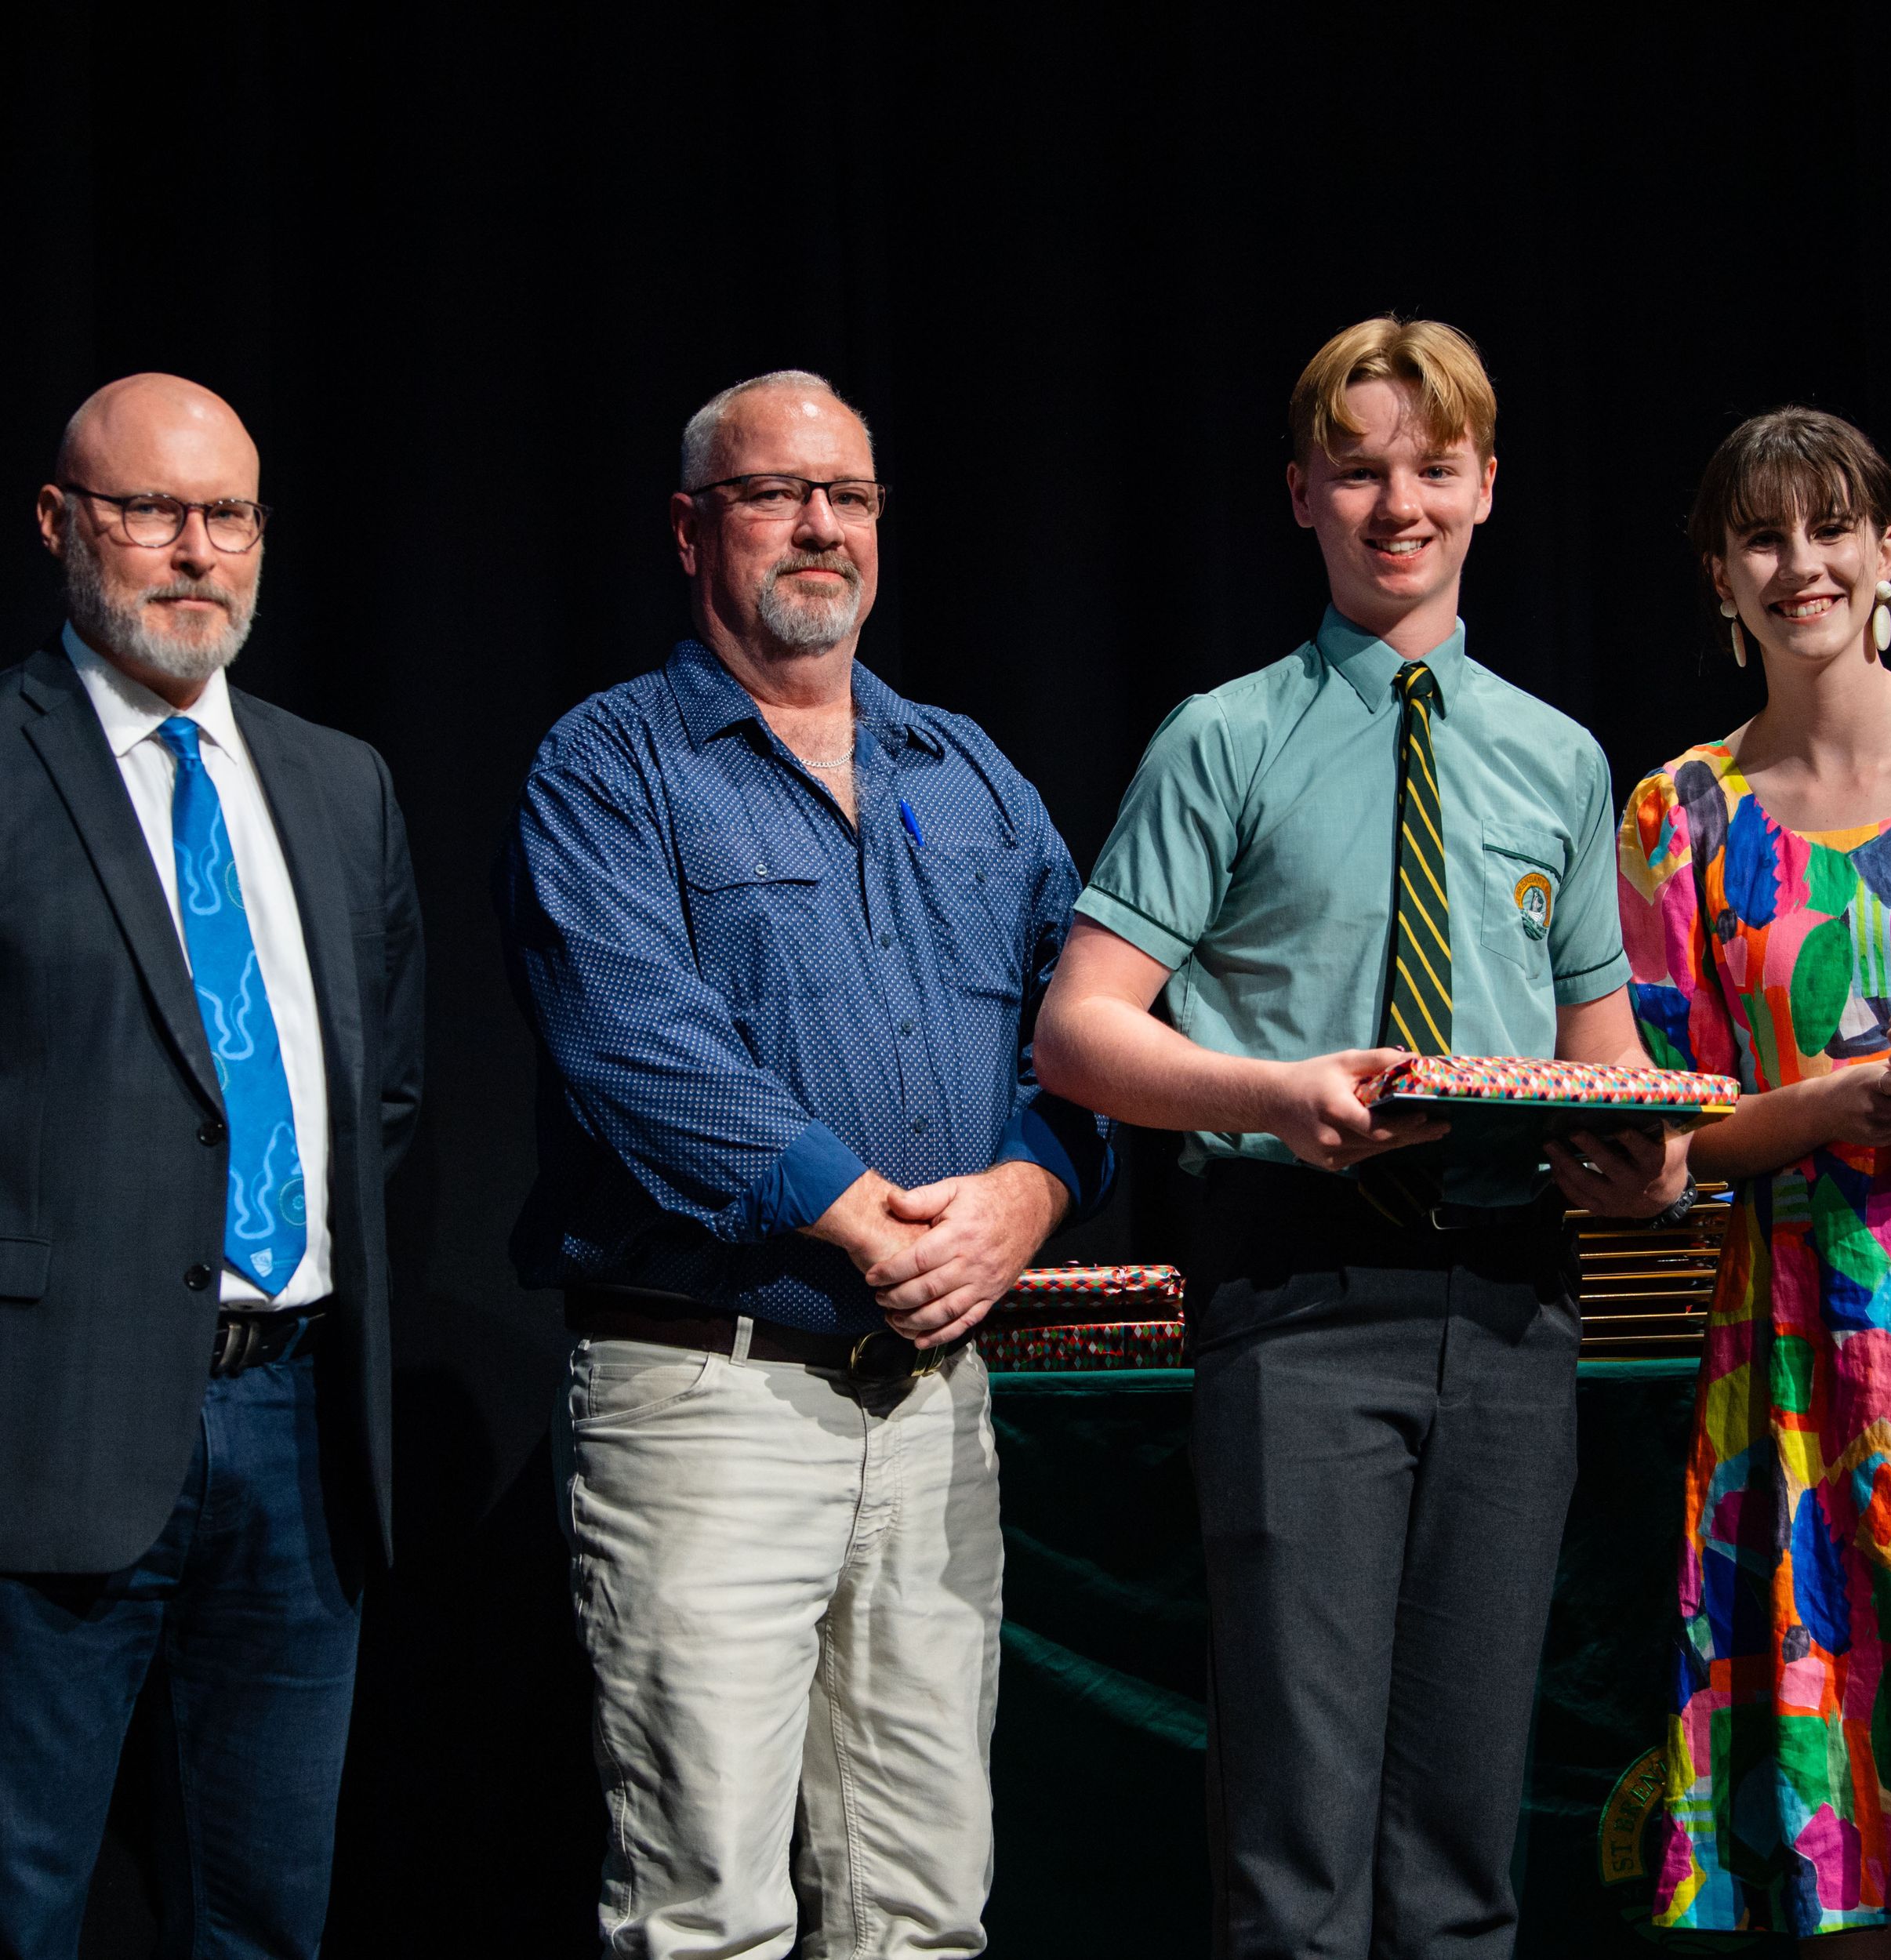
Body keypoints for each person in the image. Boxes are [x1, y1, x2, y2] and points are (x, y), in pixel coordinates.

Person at [1033, 315, 1692, 1958]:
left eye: (1431, 469)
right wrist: (1274, 1092)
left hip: (1515, 1300)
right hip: (1299, 1295)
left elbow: (1598, 1050)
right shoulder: (1227, 735)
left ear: (1486, 488)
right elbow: (1081, 1028)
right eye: (1357, 471)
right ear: (1299, 496)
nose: (1397, 503)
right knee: (1300, 1833)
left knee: (1466, 1831)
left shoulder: (1554, 756)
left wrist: (1651, 1159)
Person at [495, 368, 1111, 1955]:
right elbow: (636, 1043)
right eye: (775, 493)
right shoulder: (609, 765)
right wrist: (870, 1224)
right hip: (711, 1395)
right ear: (690, 529)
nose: (820, 524)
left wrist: (1028, 1194)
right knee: (707, 1909)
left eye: (849, 495)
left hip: (935, 1407)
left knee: (924, 1909)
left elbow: (1088, 1032)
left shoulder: (970, 773)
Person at [0, 375, 425, 1958]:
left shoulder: (339, 781)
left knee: (264, 1916)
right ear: (60, 523)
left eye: (228, 514)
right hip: (47, 1424)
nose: (195, 550)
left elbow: (384, 1096)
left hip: (297, 1432)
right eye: (152, 511)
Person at [1621, 408, 1891, 1955]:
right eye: (1761, 537)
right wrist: (1834, 1100)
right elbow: (1664, 1140)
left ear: (1887, 552)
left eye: (1829, 529)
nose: (1799, 564)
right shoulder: (1678, 813)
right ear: (1720, 576)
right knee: (1836, 1835)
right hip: (1786, 1360)